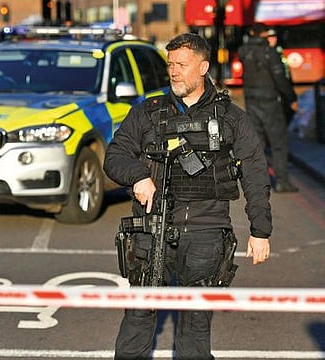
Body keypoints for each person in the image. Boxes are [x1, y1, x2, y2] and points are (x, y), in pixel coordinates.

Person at [104, 33, 272, 360]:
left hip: (206, 232)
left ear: (203, 67)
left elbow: (254, 169)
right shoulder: (147, 113)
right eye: (170, 65)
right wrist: (138, 176)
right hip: (151, 229)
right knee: (137, 318)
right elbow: (115, 156)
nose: (174, 72)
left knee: (194, 327)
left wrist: (260, 230)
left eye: (182, 65)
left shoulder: (230, 118)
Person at [238, 23, 298, 192]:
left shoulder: (244, 52)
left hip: (251, 100)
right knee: (279, 142)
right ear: (264, 34)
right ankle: (281, 181)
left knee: (258, 144)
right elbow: (280, 78)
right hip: (270, 101)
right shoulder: (269, 53)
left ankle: (257, 183)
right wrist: (291, 98)